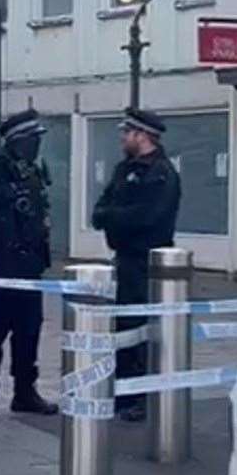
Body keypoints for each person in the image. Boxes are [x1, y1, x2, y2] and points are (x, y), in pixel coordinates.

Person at [0, 109, 59, 420]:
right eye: (33, 140)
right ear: (19, 140)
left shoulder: (31, 169)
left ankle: (24, 392)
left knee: (29, 330)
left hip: (30, 263)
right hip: (3, 264)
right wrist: (9, 191)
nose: (37, 146)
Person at [92, 108, 182, 422]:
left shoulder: (161, 173)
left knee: (142, 329)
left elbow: (148, 218)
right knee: (123, 329)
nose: (122, 138)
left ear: (142, 135)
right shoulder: (123, 169)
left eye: (126, 133)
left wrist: (114, 217)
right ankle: (123, 392)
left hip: (147, 263)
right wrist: (113, 216)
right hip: (125, 260)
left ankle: (141, 396)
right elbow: (99, 211)